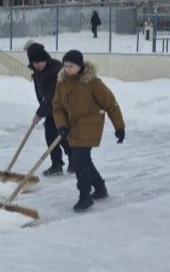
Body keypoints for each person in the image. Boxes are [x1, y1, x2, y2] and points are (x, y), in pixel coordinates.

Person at [52, 50, 125, 212]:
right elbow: (57, 107)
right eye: (65, 65)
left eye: (71, 66)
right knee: (84, 160)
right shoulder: (61, 82)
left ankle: (85, 196)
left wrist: (119, 127)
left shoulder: (92, 82)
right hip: (72, 127)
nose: (67, 69)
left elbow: (110, 103)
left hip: (90, 126)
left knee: (78, 160)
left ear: (80, 66)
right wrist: (61, 125)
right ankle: (99, 188)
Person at [24, 40, 71, 176]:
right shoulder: (37, 70)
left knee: (62, 135)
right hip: (51, 108)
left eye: (39, 62)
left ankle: (73, 159)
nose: (37, 65)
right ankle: (57, 164)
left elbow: (52, 96)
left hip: (63, 107)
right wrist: (42, 109)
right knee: (50, 134)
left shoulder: (55, 70)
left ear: (45, 59)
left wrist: (40, 113)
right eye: (34, 62)